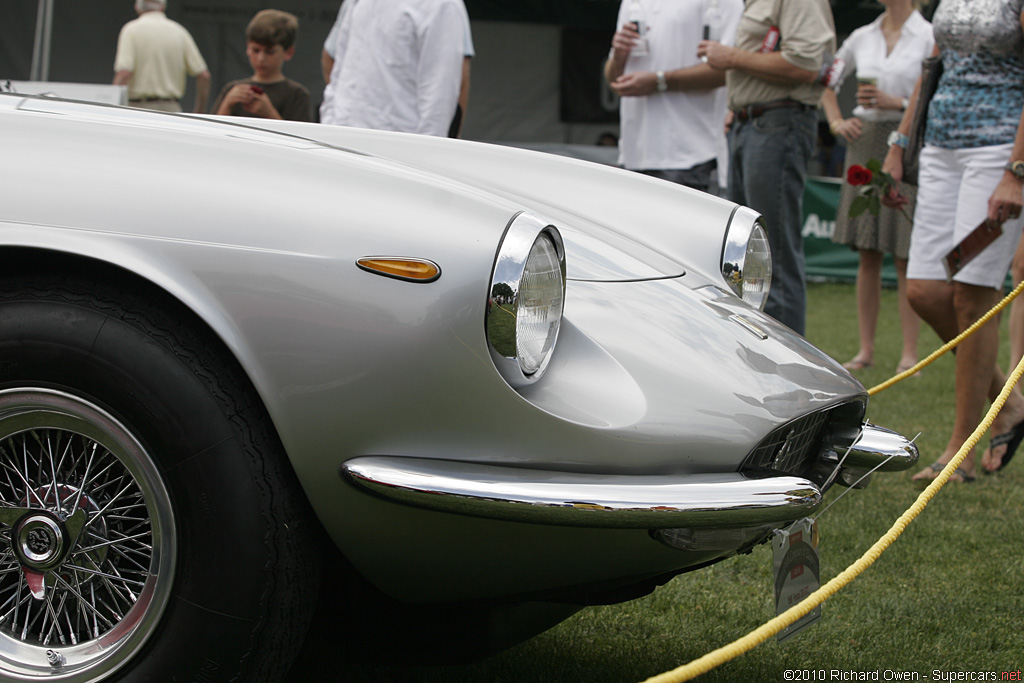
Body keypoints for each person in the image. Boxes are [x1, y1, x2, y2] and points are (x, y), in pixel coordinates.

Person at [882, 0, 1024, 482]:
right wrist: (900, 143)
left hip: (999, 148)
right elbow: (933, 65)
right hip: (941, 147)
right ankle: (1007, 403)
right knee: (923, 290)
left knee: (972, 295)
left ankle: (960, 448)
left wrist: (1016, 171)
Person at [698, 0, 837, 335]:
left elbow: (806, 63)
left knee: (771, 252)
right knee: (749, 250)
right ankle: (759, 354)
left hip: (777, 123)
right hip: (755, 123)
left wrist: (730, 57)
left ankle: (787, 367)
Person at [821, 0, 933, 374]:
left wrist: (896, 102)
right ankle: (865, 350)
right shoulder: (862, 36)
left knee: (904, 252)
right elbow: (827, 80)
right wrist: (836, 122)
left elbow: (932, 95)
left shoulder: (928, 34)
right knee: (867, 250)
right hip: (864, 142)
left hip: (907, 141)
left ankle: (909, 353)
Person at [603, 0, 744, 194]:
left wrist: (659, 81)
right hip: (633, 153)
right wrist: (619, 54)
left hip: (690, 155)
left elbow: (729, 69)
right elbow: (614, 79)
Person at [319, 0, 471, 137]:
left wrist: (422, 157)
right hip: (341, 141)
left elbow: (439, 98)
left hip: (396, 150)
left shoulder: (443, 5)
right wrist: (330, 124)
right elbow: (338, 70)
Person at [210, 10, 312, 122]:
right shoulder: (231, 90)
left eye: (270, 52)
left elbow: (299, 137)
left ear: (288, 52)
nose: (261, 59)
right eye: (256, 50)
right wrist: (227, 105)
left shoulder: (297, 95)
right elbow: (211, 132)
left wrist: (269, 113)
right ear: (248, 47)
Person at [113, 0, 211, 113]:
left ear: (137, 7)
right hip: (172, 110)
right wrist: (200, 110)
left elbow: (124, 74)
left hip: (138, 109)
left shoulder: (131, 30)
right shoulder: (179, 32)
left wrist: (113, 109)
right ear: (162, 7)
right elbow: (204, 76)